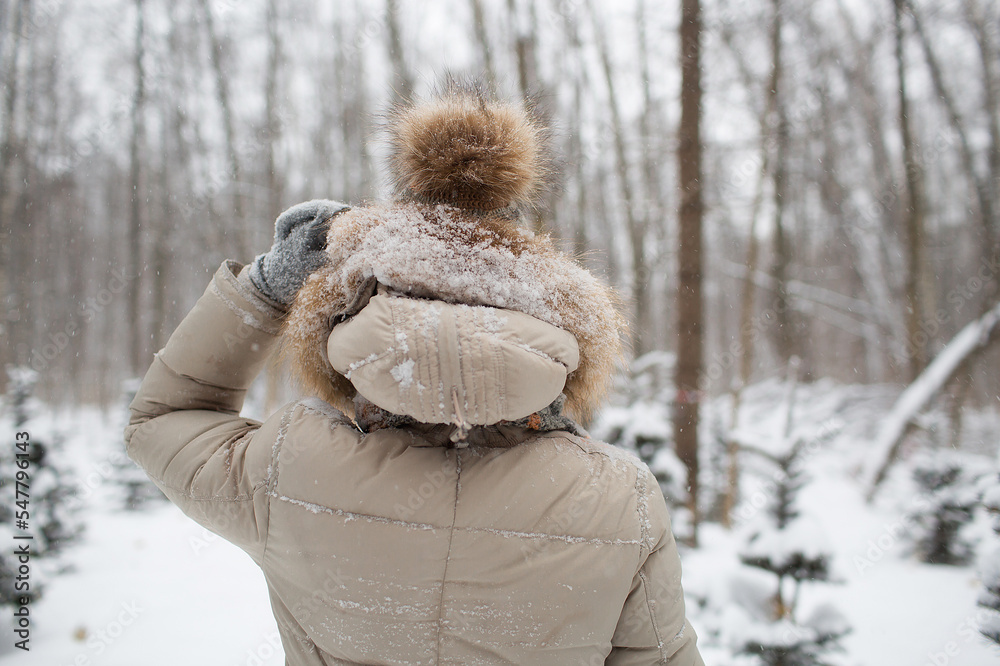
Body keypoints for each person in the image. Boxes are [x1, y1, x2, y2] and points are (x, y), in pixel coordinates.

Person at [125, 85, 703, 665]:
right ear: (559, 319)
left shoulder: (290, 465)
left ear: (345, 314)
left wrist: (267, 286)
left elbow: (165, 419)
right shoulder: (618, 497)